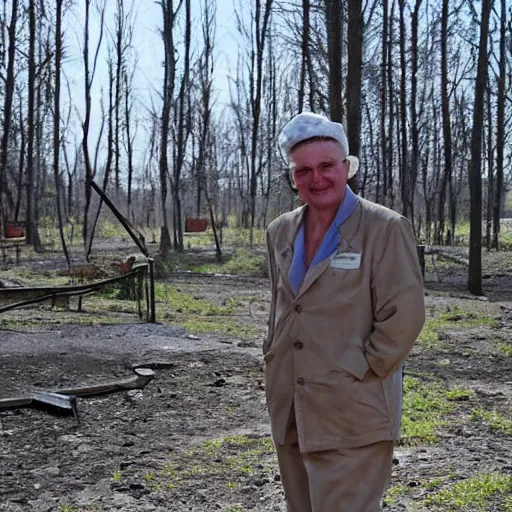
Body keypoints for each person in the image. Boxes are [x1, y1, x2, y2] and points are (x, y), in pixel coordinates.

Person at [264, 112, 425, 512]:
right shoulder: (280, 231)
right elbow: (282, 306)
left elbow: (404, 315)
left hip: (352, 411)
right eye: (303, 171)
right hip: (292, 406)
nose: (316, 179)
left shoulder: (384, 228)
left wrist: (362, 368)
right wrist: (272, 353)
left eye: (326, 167)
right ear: (292, 177)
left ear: (346, 168)